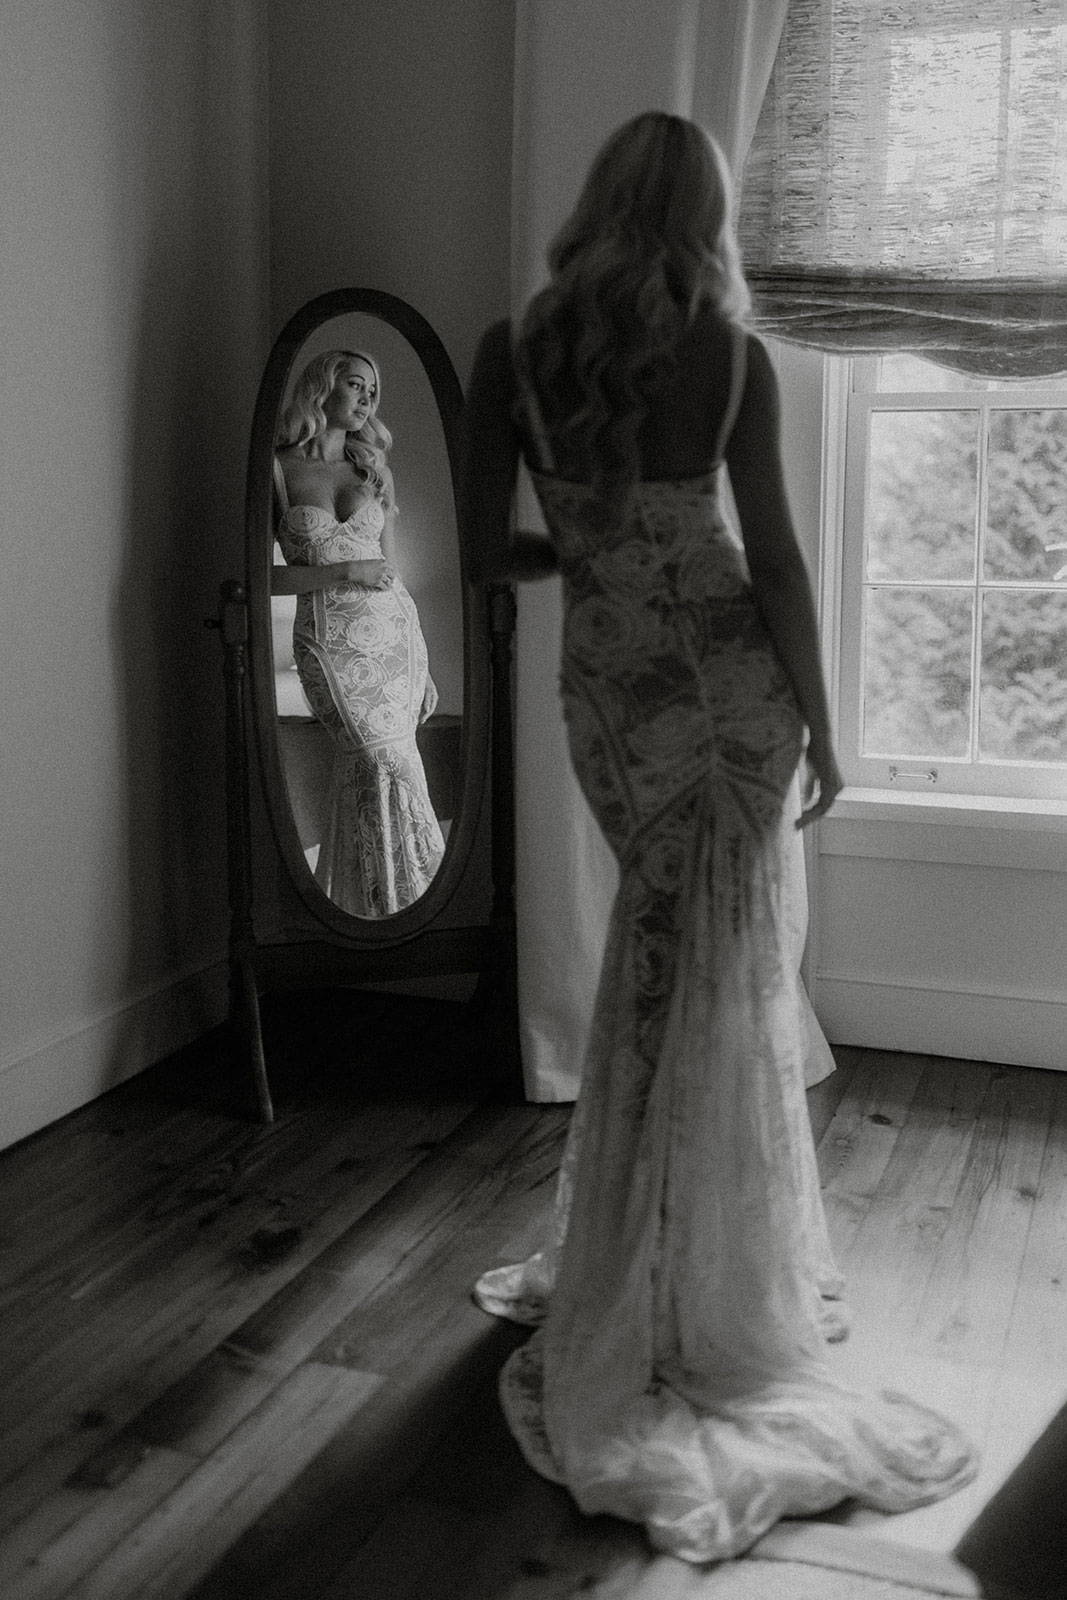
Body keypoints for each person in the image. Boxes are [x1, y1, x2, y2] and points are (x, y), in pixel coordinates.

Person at [460, 112, 978, 1562]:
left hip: (609, 698)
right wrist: (823, 726)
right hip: (732, 690)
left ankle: (648, 1255)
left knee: (657, 954)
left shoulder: (515, 348)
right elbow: (781, 558)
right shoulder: (730, 356)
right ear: (703, 218)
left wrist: (588, 550)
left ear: (592, 201)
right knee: (716, 970)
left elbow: (478, 547)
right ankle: (697, 1283)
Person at [273, 349, 444, 918]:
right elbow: (261, 577)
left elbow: (398, 577)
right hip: (330, 640)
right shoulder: (278, 468)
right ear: (322, 389)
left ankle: (394, 914)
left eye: (374, 389)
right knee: (369, 763)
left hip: (393, 633)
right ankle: (378, 913)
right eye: (355, 385)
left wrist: (424, 663)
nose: (368, 399)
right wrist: (343, 571)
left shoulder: (373, 468)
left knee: (402, 764)